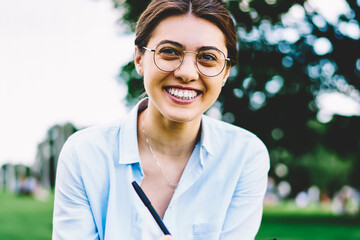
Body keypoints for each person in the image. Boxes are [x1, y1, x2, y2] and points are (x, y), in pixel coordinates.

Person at [52, 0, 270, 239]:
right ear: (139, 58)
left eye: (208, 57)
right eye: (169, 52)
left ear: (225, 72)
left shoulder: (246, 156)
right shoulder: (84, 154)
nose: (187, 73)